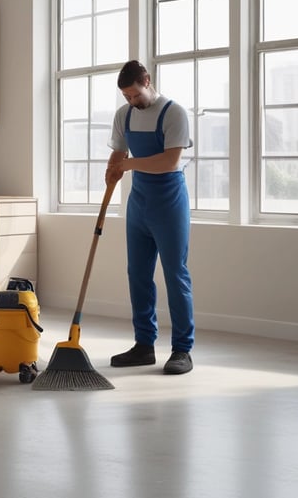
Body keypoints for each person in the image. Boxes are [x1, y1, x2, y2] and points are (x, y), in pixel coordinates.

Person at [105, 60, 194, 375]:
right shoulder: (123, 116)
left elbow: (170, 162)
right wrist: (112, 169)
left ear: (147, 80)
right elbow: (117, 155)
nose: (132, 101)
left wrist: (127, 166)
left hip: (169, 203)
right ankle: (144, 345)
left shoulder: (174, 113)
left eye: (135, 94)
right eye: (126, 96)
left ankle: (182, 349)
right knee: (138, 275)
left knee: (175, 274)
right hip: (138, 204)